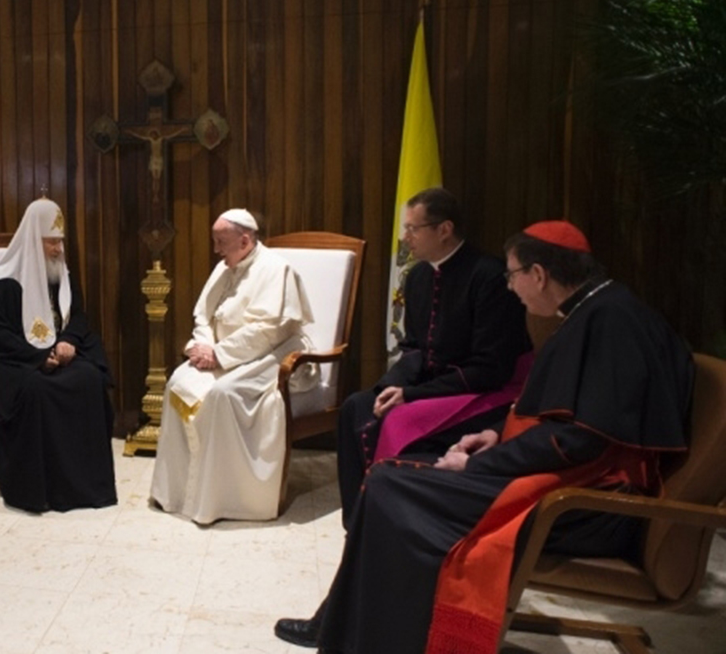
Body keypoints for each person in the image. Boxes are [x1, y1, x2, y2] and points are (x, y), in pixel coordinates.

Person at [274, 220, 694, 654]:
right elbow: (560, 421)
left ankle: (363, 638)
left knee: (388, 486)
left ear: (539, 274)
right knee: (387, 481)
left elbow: (579, 440)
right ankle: (347, 630)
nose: (511, 289)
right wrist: (495, 435)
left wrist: (477, 465)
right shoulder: (599, 310)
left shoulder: (610, 322)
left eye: (512, 276)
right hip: (569, 484)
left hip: (584, 506)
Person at [337, 187, 530, 527]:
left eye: (413, 228)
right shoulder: (418, 276)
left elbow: (490, 366)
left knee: (397, 420)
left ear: (444, 229)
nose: (405, 237)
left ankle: (397, 523)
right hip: (430, 384)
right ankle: (357, 522)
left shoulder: (488, 276)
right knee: (357, 405)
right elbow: (413, 347)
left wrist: (410, 394)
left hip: (478, 388)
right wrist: (392, 385)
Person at [150, 208, 321, 524]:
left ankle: (227, 500)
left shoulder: (277, 271)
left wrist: (219, 355)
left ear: (244, 240)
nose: (216, 249)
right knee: (177, 383)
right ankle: (177, 492)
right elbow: (204, 316)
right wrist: (203, 347)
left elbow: (270, 331)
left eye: (221, 242)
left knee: (223, 393)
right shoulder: (223, 268)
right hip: (220, 352)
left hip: (269, 354)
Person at [0, 198, 117, 513]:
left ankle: (87, 486)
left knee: (90, 378)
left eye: (60, 242)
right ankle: (42, 489)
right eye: (52, 242)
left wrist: (67, 341)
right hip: (18, 362)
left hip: (59, 356)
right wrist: (38, 358)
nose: (58, 250)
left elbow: (77, 317)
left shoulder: (60, 278)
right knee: (38, 390)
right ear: (33, 241)